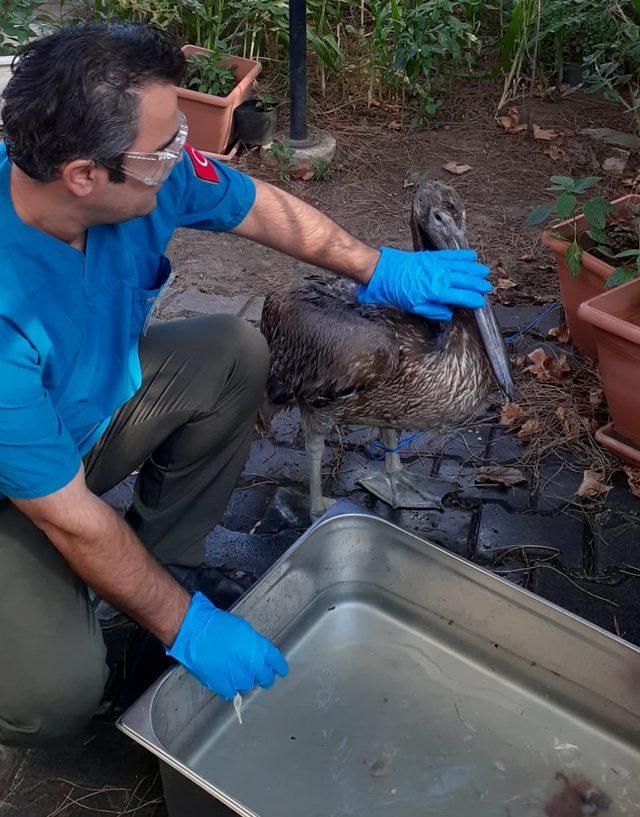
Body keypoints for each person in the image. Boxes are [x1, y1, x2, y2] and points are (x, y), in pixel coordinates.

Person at [0, 22, 492, 747]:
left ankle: (156, 585)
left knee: (233, 351)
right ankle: (121, 614)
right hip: (27, 489)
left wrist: (379, 266)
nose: (183, 157)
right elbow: (68, 513)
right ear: (82, 175)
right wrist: (188, 626)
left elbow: (258, 206)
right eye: (164, 148)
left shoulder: (139, 176)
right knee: (55, 693)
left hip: (78, 419)